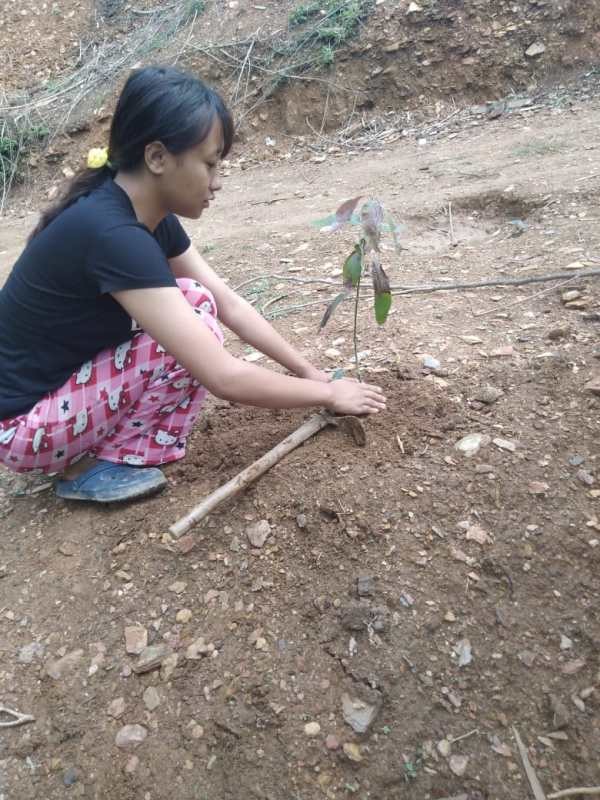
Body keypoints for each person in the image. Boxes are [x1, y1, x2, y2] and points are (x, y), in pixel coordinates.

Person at [0, 65, 386, 503]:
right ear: (158, 158)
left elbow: (228, 303)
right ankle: (96, 466)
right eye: (209, 164)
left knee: (196, 300)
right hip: (22, 429)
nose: (217, 182)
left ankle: (103, 447)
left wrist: (308, 371)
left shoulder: (141, 215)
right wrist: (328, 393)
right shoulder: (112, 235)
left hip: (52, 399)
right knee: (189, 333)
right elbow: (223, 376)